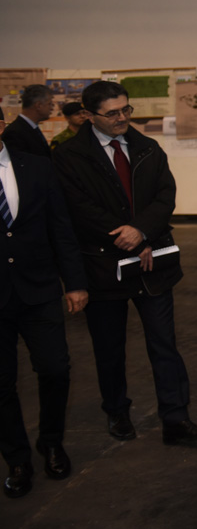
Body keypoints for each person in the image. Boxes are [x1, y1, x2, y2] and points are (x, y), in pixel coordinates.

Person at [53, 81, 197, 445]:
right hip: (102, 266)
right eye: (112, 113)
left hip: (150, 263)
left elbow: (165, 196)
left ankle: (176, 418)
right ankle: (117, 412)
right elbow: (78, 208)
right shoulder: (69, 156)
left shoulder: (147, 148)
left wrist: (142, 231)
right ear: (88, 115)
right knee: (109, 348)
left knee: (164, 344)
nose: (122, 118)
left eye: (126, 109)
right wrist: (125, 235)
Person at [0, 119, 88, 498]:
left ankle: (51, 442)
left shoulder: (37, 166)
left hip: (39, 289)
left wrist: (76, 282)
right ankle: (17, 459)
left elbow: (60, 227)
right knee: (1, 383)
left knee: (55, 369)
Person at [2, 84, 53, 158]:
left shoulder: (31, 128)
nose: (51, 108)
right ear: (38, 105)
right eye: (49, 104)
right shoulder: (14, 133)